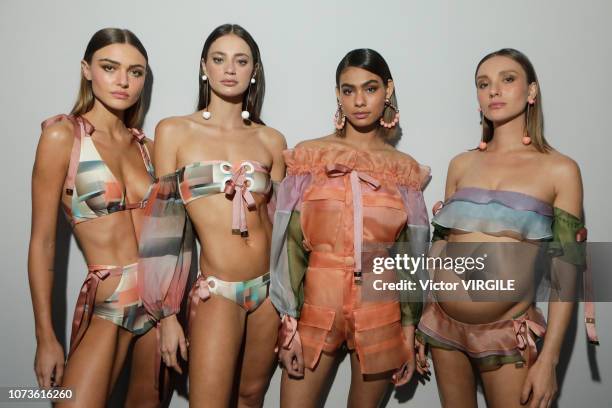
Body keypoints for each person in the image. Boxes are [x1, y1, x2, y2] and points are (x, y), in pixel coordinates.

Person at [415, 48, 598, 408]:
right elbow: (440, 244)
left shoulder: (560, 170)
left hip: (506, 333)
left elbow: (566, 271)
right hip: (441, 327)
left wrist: (549, 360)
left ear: (531, 92)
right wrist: (422, 314)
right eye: (484, 84)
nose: (494, 90)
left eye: (507, 79)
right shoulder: (461, 164)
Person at [270, 48, 430, 407]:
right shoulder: (309, 156)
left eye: (370, 88)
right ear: (338, 95)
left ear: (387, 90)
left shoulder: (404, 170)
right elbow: (289, 245)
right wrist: (288, 322)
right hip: (318, 303)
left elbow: (411, 257)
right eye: (348, 90)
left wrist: (409, 329)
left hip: (381, 306)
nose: (359, 100)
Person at [139, 23, 286, 407]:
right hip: (218, 291)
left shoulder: (271, 140)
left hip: (271, 292)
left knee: (251, 395)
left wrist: (294, 309)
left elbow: (283, 227)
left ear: (254, 70)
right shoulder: (174, 131)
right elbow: (163, 230)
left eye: (241, 61)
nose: (230, 69)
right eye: (219, 59)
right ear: (204, 66)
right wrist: (166, 315)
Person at [28, 28, 164, 407]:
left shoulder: (148, 148)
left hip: (160, 304)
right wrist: (46, 337)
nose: (123, 81)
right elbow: (43, 242)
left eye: (136, 72)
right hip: (110, 303)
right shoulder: (62, 137)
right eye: (110, 67)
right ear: (87, 70)